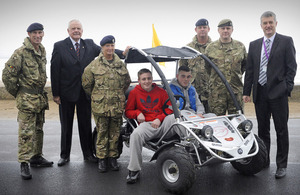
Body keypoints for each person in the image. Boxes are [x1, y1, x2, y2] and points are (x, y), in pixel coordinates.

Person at [51, 19, 129, 166]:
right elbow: (54, 70)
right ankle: (64, 155)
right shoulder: (59, 46)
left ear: (82, 31)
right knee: (66, 126)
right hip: (66, 93)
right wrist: (56, 93)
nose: (76, 31)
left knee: (85, 125)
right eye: (73, 28)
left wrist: (123, 53)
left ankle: (88, 154)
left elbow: (106, 50)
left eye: (78, 28)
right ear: (68, 31)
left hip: (84, 94)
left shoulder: (89, 44)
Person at [243, 11, 297, 179]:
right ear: (261, 26)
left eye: (270, 22)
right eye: (265, 23)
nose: (268, 26)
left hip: (278, 93)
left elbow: (292, 67)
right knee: (263, 130)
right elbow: (250, 71)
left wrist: (286, 88)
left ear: (276, 23)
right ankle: (264, 160)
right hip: (260, 92)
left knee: (281, 130)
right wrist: (246, 92)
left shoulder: (286, 41)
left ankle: (281, 166)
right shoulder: (254, 45)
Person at [2, 23, 53, 180]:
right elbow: (7, 75)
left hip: (39, 99)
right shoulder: (20, 53)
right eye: (34, 33)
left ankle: (36, 157)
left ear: (43, 34)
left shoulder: (42, 50)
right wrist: (18, 92)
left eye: (40, 32)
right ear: (29, 35)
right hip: (27, 100)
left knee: (38, 129)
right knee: (25, 132)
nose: (37, 35)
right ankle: (24, 163)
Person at [82, 35, 131, 172]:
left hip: (116, 105)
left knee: (115, 132)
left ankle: (113, 158)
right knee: (102, 132)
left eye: (112, 46)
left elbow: (126, 82)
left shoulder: (120, 64)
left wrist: (116, 94)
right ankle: (102, 159)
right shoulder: (94, 65)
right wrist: (99, 95)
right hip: (100, 106)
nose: (110, 48)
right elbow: (87, 84)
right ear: (102, 47)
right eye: (107, 46)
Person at [125, 68, 175, 184]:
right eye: (143, 79)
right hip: (148, 125)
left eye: (149, 78)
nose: (146, 81)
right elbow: (128, 112)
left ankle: (196, 148)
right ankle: (134, 169)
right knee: (136, 135)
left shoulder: (161, 92)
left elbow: (169, 108)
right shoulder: (134, 93)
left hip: (163, 123)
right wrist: (137, 113)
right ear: (139, 80)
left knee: (178, 117)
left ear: (152, 79)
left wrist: (159, 118)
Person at [204, 19, 247, 116]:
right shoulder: (210, 48)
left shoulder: (240, 47)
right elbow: (207, 68)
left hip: (235, 92)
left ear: (232, 30)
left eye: (228, 28)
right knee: (217, 124)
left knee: (238, 122)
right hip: (217, 94)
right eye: (223, 28)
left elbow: (244, 65)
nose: (225, 31)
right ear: (218, 30)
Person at [179, 18, 212, 113]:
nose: (202, 29)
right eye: (200, 27)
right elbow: (182, 69)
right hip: (192, 92)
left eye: (204, 27)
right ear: (195, 29)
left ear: (208, 29)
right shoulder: (188, 48)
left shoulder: (215, 47)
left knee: (211, 119)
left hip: (211, 93)